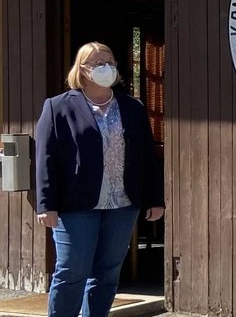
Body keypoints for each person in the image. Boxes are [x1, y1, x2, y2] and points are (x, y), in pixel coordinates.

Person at [35, 42, 165, 317]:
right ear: (82, 69)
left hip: (122, 203)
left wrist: (155, 199)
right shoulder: (58, 107)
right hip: (75, 206)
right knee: (72, 271)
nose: (106, 67)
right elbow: (46, 158)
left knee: (107, 274)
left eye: (110, 60)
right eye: (97, 62)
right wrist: (46, 204)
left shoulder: (132, 107)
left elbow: (147, 157)